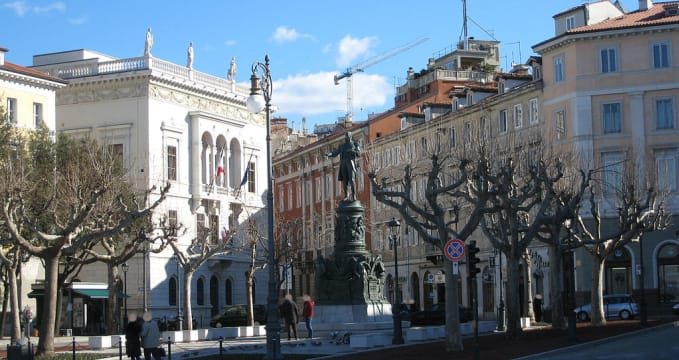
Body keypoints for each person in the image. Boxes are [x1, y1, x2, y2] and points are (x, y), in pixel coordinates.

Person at [326, 132, 360, 200]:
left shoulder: (355, 144)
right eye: (346, 136)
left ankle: (354, 195)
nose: (346, 138)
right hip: (343, 163)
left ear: (350, 136)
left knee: (352, 179)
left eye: (348, 136)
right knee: (345, 181)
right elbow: (335, 153)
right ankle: (346, 196)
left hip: (351, 163)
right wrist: (329, 154)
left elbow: (358, 153)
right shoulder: (342, 146)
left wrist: (351, 151)